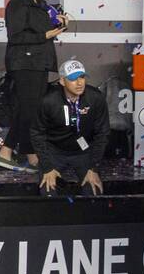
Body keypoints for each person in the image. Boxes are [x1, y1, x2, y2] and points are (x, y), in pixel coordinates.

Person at [0, 0, 68, 171]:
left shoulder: (45, 6)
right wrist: (44, 35)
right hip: (23, 61)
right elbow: (15, 36)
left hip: (40, 62)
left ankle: (27, 151)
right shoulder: (17, 3)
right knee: (29, 108)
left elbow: (52, 26)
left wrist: (63, 23)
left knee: (31, 109)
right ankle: (7, 150)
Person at [29, 60, 107, 196]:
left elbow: (102, 133)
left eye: (82, 77)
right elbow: (37, 133)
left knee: (94, 190)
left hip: (84, 151)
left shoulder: (95, 98)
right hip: (55, 151)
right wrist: (47, 167)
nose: (79, 83)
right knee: (48, 191)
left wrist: (93, 167)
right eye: (72, 79)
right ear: (62, 81)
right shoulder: (49, 101)